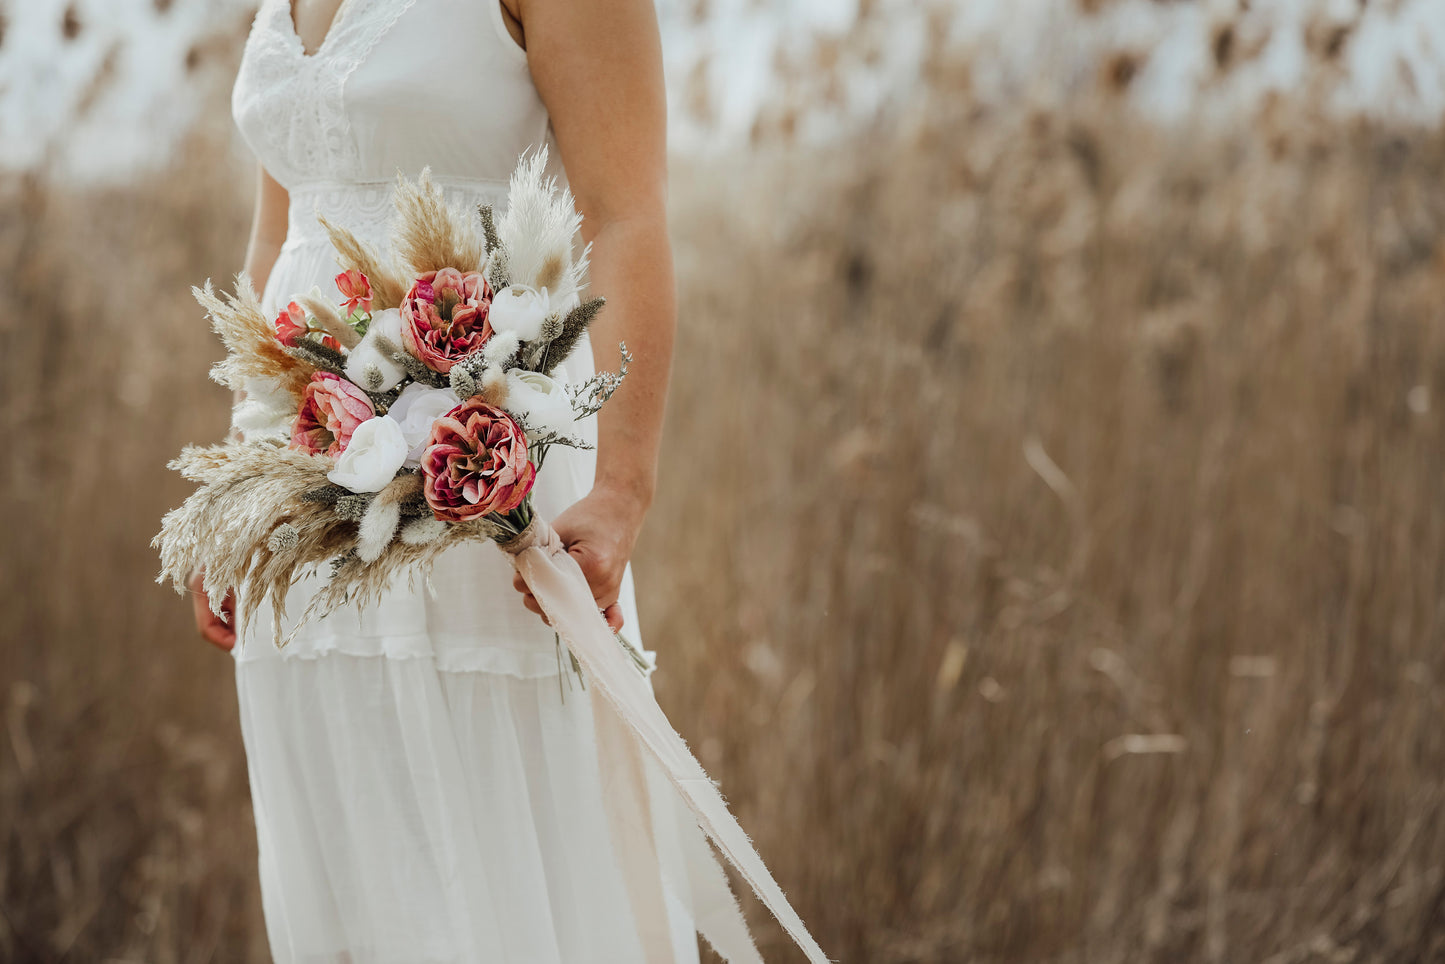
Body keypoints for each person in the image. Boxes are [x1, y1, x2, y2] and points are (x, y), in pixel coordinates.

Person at [189, 1, 708, 959]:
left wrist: (624, 490)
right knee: (352, 842)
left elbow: (627, 216)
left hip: (482, 462)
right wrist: (236, 489)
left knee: (497, 831)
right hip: (306, 480)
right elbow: (283, 235)